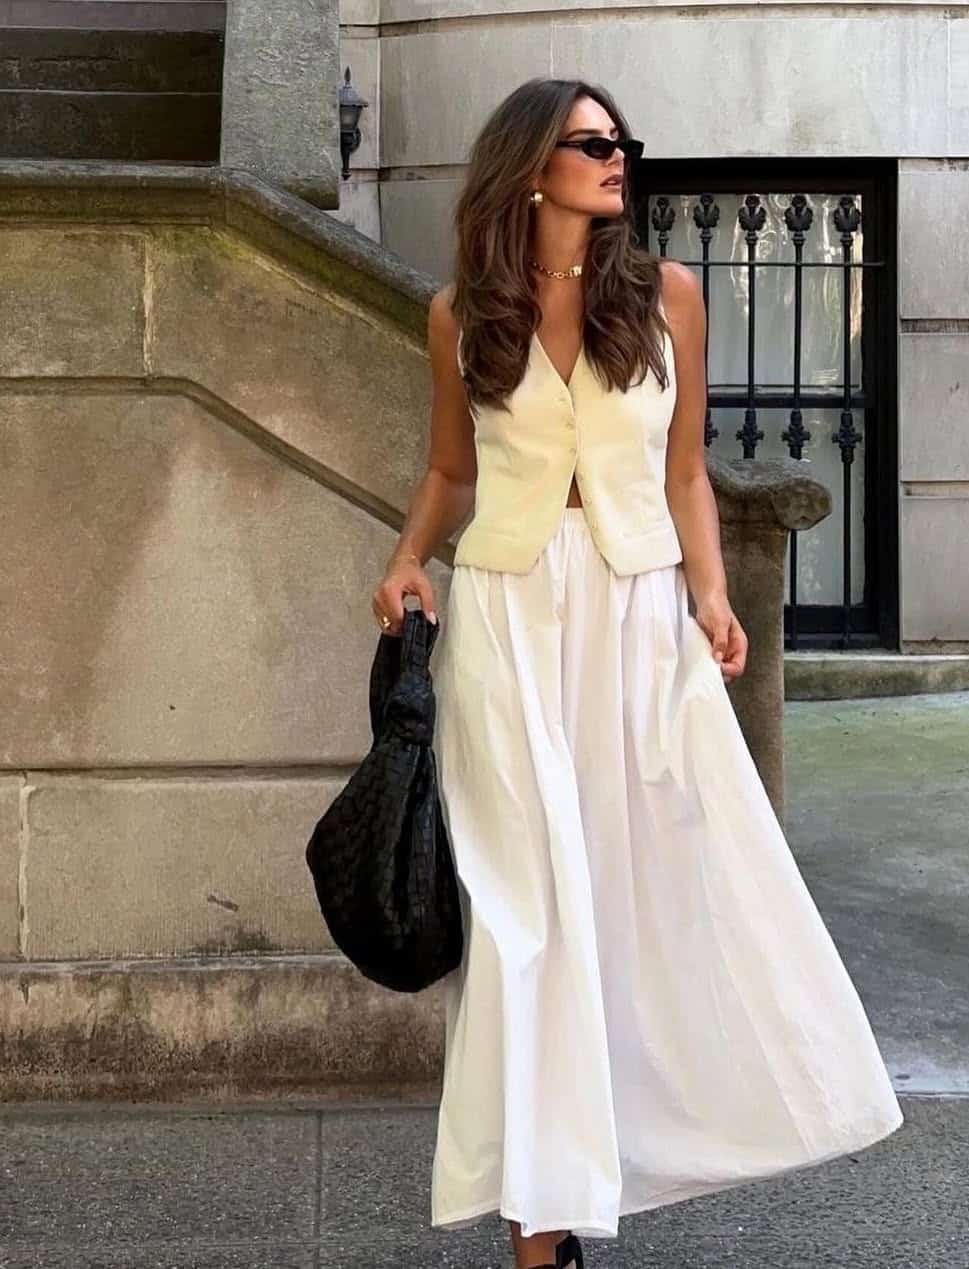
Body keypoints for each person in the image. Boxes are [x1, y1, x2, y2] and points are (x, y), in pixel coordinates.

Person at [370, 76, 903, 1269]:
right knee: (521, 919)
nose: (618, 160)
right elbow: (452, 471)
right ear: (528, 165)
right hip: (506, 619)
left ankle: (606, 1162)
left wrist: (711, 594)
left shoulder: (668, 296)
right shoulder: (463, 314)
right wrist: (408, 558)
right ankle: (537, 1224)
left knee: (629, 899)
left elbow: (684, 473)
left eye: (622, 144)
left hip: (634, 616)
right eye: (593, 142)